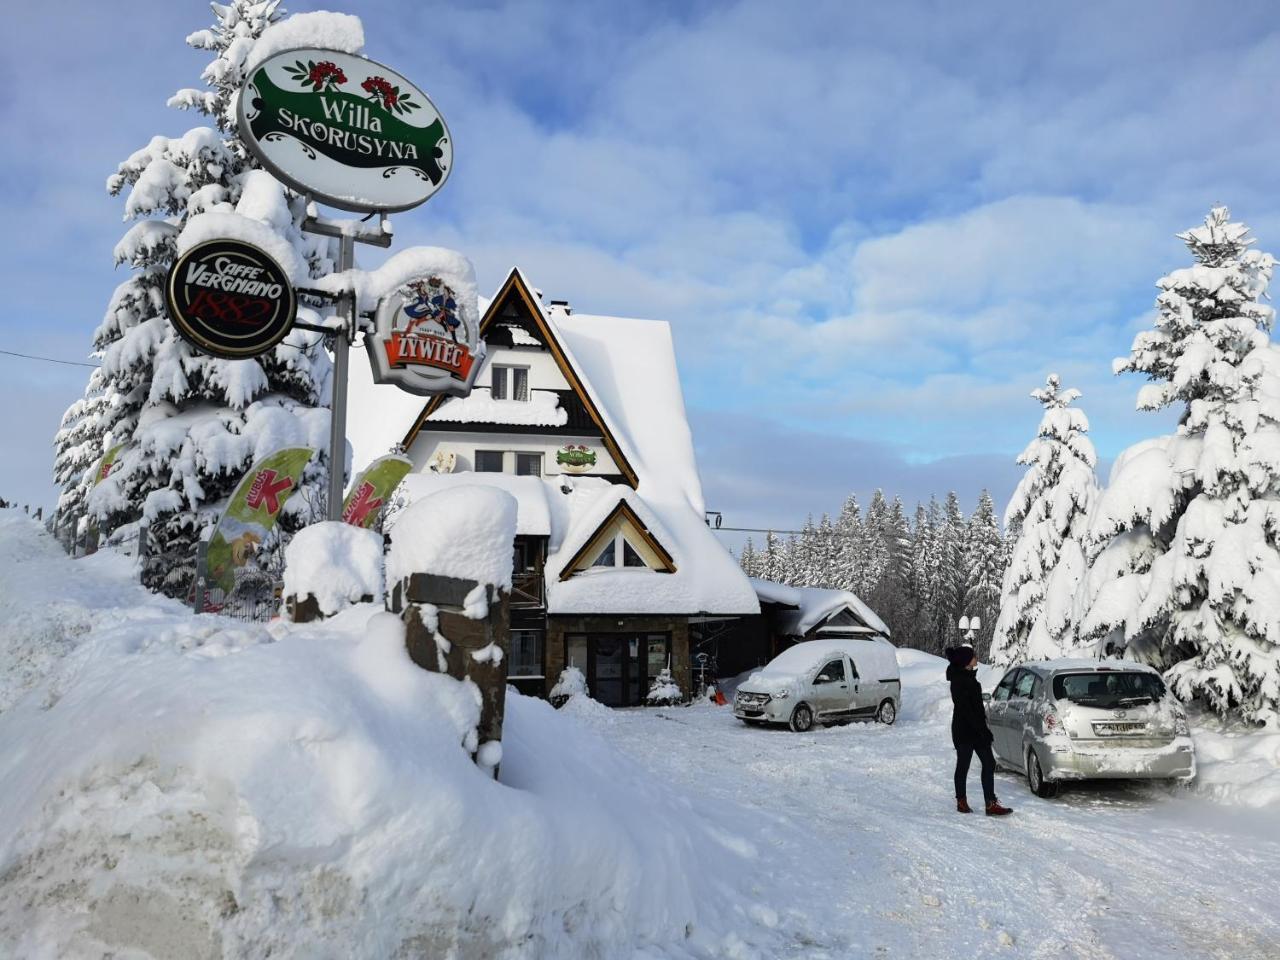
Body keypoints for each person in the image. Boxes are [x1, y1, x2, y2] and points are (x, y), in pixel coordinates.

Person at [945, 645, 1012, 816]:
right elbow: (966, 710)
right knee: (963, 765)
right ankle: (961, 800)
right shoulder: (958, 681)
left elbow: (977, 710)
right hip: (964, 731)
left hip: (977, 730)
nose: (976, 657)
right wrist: (981, 729)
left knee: (989, 763)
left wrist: (983, 728)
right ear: (966, 661)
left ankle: (990, 803)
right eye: (973, 655)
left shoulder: (972, 680)